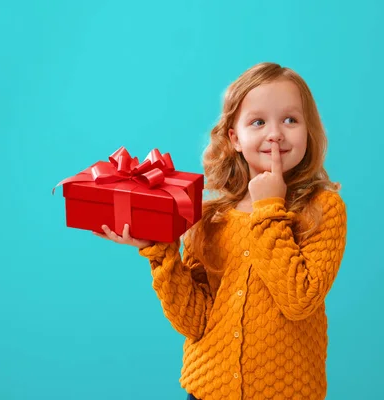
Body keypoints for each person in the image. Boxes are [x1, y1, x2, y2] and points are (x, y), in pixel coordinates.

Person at [93, 62, 347, 400]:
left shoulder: (322, 209)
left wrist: (270, 207)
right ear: (235, 138)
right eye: (258, 122)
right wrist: (161, 250)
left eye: (290, 120)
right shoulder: (210, 216)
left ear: (308, 131)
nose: (275, 133)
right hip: (206, 391)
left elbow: (298, 300)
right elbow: (194, 322)